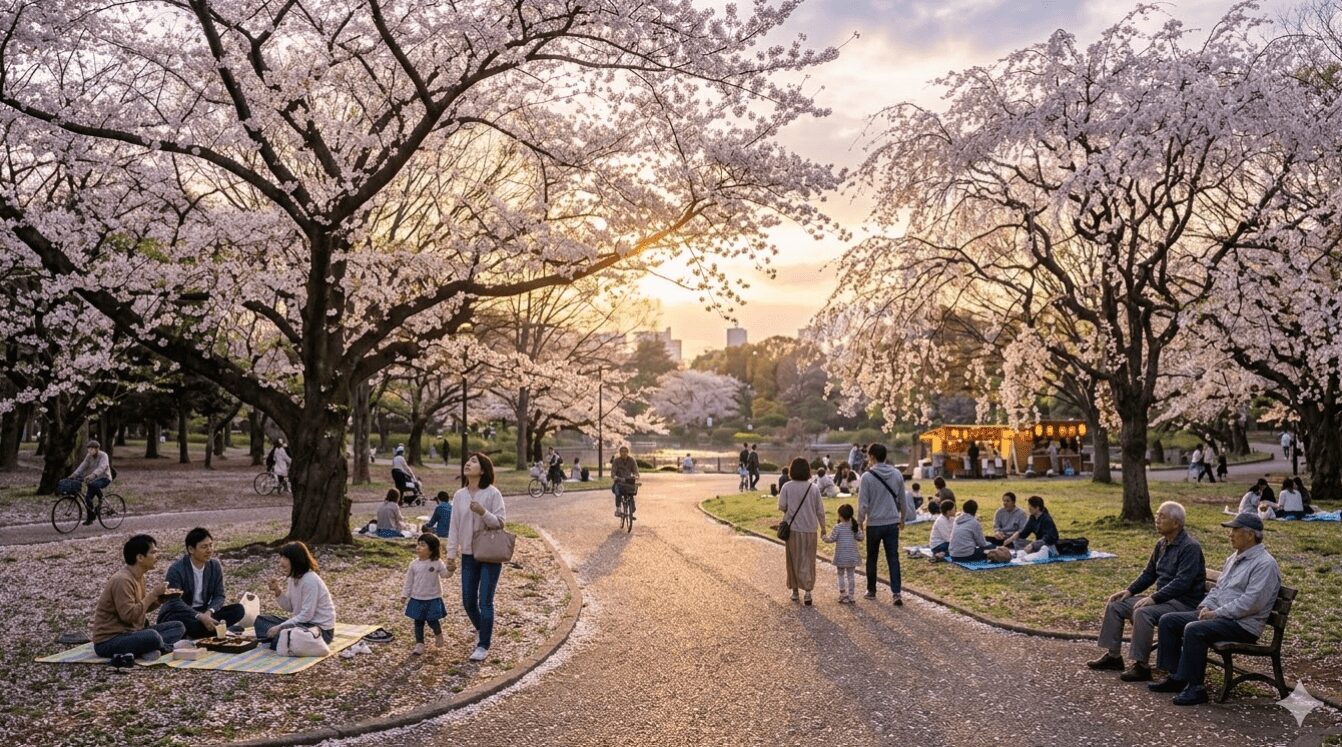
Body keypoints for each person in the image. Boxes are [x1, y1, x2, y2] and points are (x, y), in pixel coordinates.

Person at [1151, 513, 1282, 705]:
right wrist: (1206, 605)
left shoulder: (1265, 564)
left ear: (1250, 535)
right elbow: (1219, 588)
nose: (1230, 534)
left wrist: (1216, 613)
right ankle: (1177, 677)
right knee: (1169, 620)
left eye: (1235, 530)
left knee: (1194, 629)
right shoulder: (1234, 558)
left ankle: (1196, 689)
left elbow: (1251, 603)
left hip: (1242, 624)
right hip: (1221, 617)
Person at [1087, 501, 1205, 682]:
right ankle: (1113, 657)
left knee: (1143, 612)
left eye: (1162, 517)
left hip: (1183, 603)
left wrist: (1154, 598)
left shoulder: (1190, 547)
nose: (1157, 520)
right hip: (1163, 600)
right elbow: (1149, 574)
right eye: (1157, 515)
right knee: (1116, 604)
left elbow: (1182, 583)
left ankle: (1141, 666)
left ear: (1176, 523)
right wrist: (1129, 591)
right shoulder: (1161, 544)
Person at [444, 452, 506, 662]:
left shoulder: (492, 493)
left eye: (473, 462)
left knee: (485, 601)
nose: (468, 464)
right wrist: (451, 554)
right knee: (468, 601)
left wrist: (482, 511)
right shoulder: (459, 495)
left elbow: (500, 522)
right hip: (468, 556)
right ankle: (482, 628)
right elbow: (454, 526)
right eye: (468, 460)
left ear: (483, 470)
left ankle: (483, 644)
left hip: (489, 555)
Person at [92, 534, 185, 662]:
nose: (157, 556)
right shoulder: (122, 580)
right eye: (153, 552)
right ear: (140, 557)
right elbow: (129, 616)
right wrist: (153, 594)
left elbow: (140, 608)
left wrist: (159, 599)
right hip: (110, 641)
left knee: (178, 627)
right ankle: (161, 647)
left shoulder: (140, 576)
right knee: (153, 636)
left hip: (133, 633)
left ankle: (149, 649)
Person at [156, 528, 247, 639]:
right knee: (183, 624)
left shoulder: (214, 566)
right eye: (204, 547)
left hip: (204, 611)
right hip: (181, 614)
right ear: (191, 549)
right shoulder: (176, 569)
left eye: (210, 545)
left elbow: (219, 595)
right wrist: (199, 616)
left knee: (238, 610)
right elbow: (174, 601)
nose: (209, 550)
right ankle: (220, 630)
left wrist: (208, 612)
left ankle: (210, 630)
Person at [254, 542, 337, 650]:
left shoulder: (310, 580)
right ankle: (281, 639)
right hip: (301, 625)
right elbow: (289, 607)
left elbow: (307, 615)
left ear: (295, 561)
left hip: (319, 631)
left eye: (285, 558)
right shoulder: (292, 578)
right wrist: (277, 591)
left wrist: (280, 627)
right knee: (260, 620)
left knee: (279, 636)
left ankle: (279, 639)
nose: (281, 563)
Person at [858, 443, 908, 605]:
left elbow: (863, 504)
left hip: (874, 523)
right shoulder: (897, 474)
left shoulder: (866, 477)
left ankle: (871, 590)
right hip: (892, 522)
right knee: (893, 558)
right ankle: (896, 593)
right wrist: (903, 518)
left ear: (872, 457)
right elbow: (902, 499)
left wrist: (860, 521)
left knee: (872, 558)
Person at [778, 457, 825, 605]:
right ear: (807, 471)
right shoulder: (814, 488)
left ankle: (795, 591)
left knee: (793, 561)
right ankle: (808, 592)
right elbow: (820, 511)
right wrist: (823, 528)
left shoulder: (786, 487)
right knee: (808, 560)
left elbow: (782, 506)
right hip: (810, 529)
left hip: (793, 530)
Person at [402, 533, 454, 655]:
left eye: (423, 545)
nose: (418, 547)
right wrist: (405, 595)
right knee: (418, 622)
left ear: (431, 549)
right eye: (418, 544)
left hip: (433, 598)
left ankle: (438, 634)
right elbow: (408, 581)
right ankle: (419, 644)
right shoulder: (414, 564)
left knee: (432, 620)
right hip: (416, 598)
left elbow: (444, 574)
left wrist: (451, 570)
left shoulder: (436, 563)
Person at [823, 504, 863, 604]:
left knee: (840, 575)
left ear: (840, 515)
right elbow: (861, 538)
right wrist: (861, 529)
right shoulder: (854, 526)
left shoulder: (838, 527)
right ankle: (851, 595)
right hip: (852, 556)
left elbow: (831, 539)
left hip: (841, 557)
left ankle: (843, 594)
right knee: (851, 576)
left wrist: (823, 537)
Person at [68, 440, 112, 525]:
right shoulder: (89, 456)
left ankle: (101, 499)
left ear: (97, 449)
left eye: (92, 449)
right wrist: (74, 474)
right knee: (87, 498)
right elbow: (83, 465)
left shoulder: (104, 456)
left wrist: (93, 475)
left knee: (92, 484)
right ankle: (90, 518)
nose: (90, 451)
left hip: (104, 478)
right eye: (89, 449)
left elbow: (102, 467)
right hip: (93, 480)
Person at [1003, 495, 1058, 561]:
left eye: (1031, 507)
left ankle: (1036, 554)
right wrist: (1011, 538)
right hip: (1037, 544)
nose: (1029, 509)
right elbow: (1024, 533)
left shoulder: (1047, 519)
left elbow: (1048, 538)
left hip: (1047, 545)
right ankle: (1027, 553)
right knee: (1017, 541)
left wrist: (1033, 545)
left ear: (1037, 508)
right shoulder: (1032, 518)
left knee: (1044, 548)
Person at [612, 445, 640, 520]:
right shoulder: (616, 461)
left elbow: (636, 471)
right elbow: (613, 472)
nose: (624, 453)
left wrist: (636, 476)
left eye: (625, 451)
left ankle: (631, 511)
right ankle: (618, 509)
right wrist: (614, 476)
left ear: (628, 452)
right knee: (618, 492)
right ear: (619, 453)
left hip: (628, 481)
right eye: (622, 451)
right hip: (619, 481)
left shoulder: (631, 460)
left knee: (631, 493)